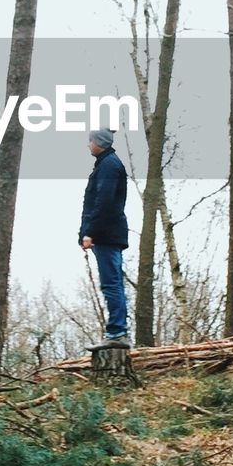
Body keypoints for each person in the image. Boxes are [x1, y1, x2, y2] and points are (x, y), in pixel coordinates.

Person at [79, 127, 129, 347]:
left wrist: (91, 232)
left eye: (90, 141)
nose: (88, 144)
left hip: (107, 235)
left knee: (111, 284)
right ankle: (117, 332)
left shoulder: (109, 165)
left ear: (99, 142)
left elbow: (103, 202)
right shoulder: (106, 163)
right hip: (108, 234)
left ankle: (117, 333)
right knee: (113, 283)